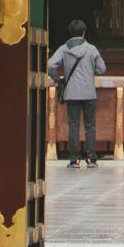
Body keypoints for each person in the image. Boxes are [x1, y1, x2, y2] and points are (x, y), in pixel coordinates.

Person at [50, 20, 107, 167]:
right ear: (83, 33)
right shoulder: (91, 49)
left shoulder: (64, 49)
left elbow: (51, 65)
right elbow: (102, 69)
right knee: (90, 126)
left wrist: (58, 80)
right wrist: (89, 71)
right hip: (88, 92)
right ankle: (91, 159)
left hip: (72, 93)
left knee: (73, 126)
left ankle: (74, 160)